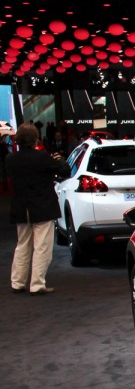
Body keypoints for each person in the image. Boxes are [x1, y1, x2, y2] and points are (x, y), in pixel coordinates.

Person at [7, 123, 70, 295]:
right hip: (43, 207)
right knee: (42, 247)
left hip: (21, 207)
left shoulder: (10, 159)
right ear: (36, 139)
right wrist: (58, 159)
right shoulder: (42, 157)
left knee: (22, 245)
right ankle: (37, 284)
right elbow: (65, 170)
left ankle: (17, 282)